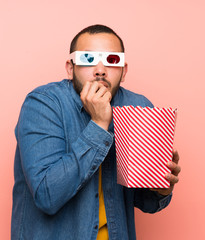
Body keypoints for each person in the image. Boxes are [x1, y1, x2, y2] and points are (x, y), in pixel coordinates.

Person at [11, 24, 181, 240]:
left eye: (112, 60)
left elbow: (145, 202)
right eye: (88, 59)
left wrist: (161, 189)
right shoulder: (43, 105)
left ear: (124, 70)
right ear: (70, 68)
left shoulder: (139, 108)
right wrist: (99, 124)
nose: (100, 70)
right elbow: (47, 195)